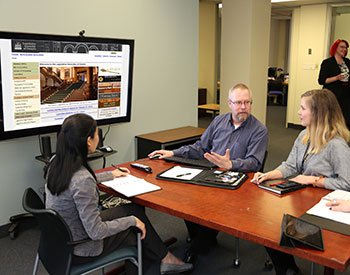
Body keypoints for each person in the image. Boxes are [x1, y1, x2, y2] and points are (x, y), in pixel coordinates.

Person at [45, 113, 193, 275]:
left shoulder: (56, 162)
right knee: (134, 230)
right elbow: (96, 232)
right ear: (88, 140)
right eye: (96, 134)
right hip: (81, 248)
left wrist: (110, 174)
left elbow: (77, 184)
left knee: (133, 210)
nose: (98, 138)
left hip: (59, 242)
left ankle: (163, 257)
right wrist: (132, 222)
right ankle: (161, 260)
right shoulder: (82, 180)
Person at [149, 83, 268, 264]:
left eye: (247, 102)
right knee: (183, 197)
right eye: (238, 103)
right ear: (229, 103)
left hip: (239, 182)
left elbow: (254, 163)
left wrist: (230, 164)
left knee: (213, 206)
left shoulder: (259, 130)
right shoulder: (219, 121)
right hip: (212, 174)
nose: (243, 107)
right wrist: (172, 153)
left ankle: (197, 246)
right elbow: (200, 148)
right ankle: (201, 237)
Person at [253, 89, 350, 275]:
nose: (298, 112)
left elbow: (346, 183)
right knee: (268, 227)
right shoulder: (304, 135)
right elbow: (291, 166)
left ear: (318, 114)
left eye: (302, 108)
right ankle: (287, 267)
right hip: (302, 199)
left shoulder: (336, 145)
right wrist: (269, 174)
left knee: (281, 231)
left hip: (324, 206)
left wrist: (315, 180)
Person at [318, 39, 350, 128]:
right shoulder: (327, 63)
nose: (344, 49)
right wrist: (336, 78)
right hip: (333, 94)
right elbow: (322, 80)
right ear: (335, 48)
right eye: (342, 47)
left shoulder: (348, 62)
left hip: (346, 95)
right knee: (331, 118)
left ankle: (343, 137)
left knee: (345, 119)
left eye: (346, 48)